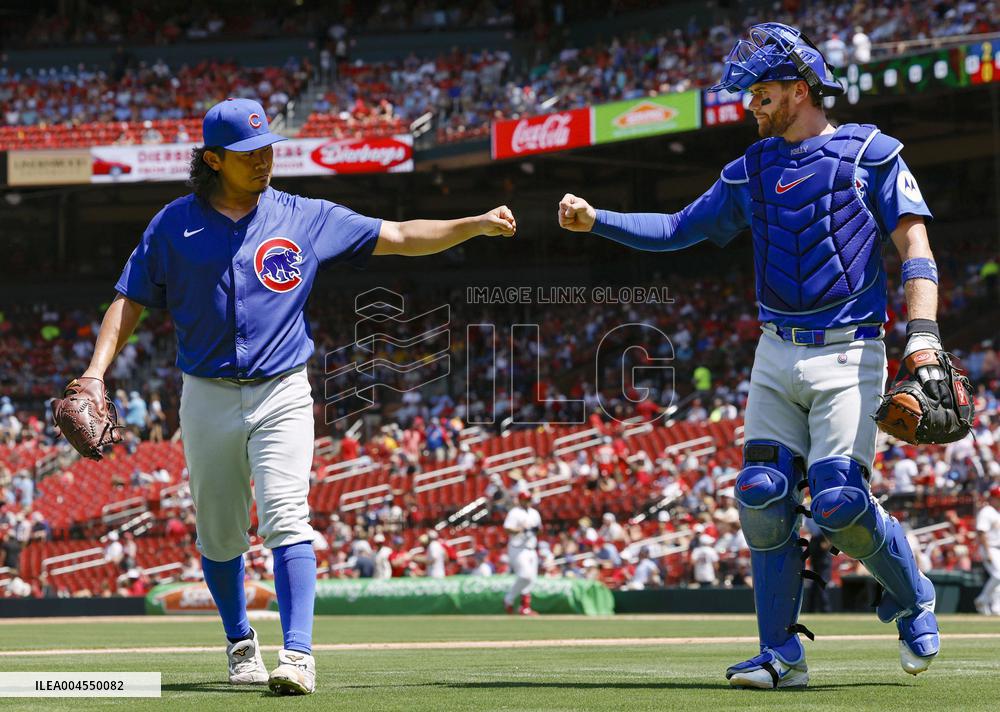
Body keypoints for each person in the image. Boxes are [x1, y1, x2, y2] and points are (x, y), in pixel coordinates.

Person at [70, 97, 515, 695]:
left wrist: (473, 225)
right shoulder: (173, 224)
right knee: (220, 534)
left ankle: (299, 654)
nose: (264, 160)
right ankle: (238, 641)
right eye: (249, 152)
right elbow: (129, 298)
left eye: (268, 147)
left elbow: (402, 234)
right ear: (213, 159)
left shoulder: (305, 215)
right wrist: (96, 373)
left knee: (286, 516)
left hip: (283, 389)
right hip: (206, 394)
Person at [557, 22, 941, 688]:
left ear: (798, 89)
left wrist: (926, 338)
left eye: (762, 94)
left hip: (851, 352)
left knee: (840, 503)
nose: (751, 107)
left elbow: (916, 248)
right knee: (761, 495)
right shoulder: (751, 167)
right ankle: (780, 656)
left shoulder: (871, 154)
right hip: (775, 351)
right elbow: (680, 228)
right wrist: (601, 219)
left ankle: (914, 594)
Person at [502, 490, 541, 615]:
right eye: (525, 499)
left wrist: (535, 530)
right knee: (525, 575)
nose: (528, 501)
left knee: (532, 579)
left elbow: (539, 529)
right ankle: (509, 599)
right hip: (517, 548)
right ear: (520, 500)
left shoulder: (534, 513)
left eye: (529, 499)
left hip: (531, 548)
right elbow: (507, 529)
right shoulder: (514, 512)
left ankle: (525, 608)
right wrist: (522, 530)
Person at [974, 486, 1000, 615]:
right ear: (993, 498)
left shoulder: (996, 512)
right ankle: (982, 599)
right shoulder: (987, 511)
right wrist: (987, 551)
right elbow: (981, 532)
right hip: (990, 547)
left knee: (998, 579)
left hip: (997, 549)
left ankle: (995, 608)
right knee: (998, 575)